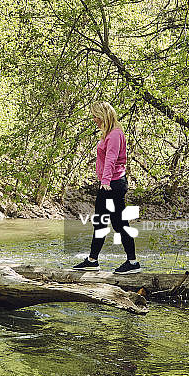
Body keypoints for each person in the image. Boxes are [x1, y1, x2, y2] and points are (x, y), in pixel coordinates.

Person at [73, 101, 141, 274]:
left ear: (103, 115)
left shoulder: (115, 134)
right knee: (102, 222)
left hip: (112, 185)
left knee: (118, 223)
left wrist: (105, 182)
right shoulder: (109, 133)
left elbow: (111, 159)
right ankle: (93, 260)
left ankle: (132, 262)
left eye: (96, 116)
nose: (94, 119)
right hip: (110, 183)